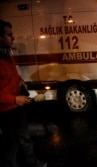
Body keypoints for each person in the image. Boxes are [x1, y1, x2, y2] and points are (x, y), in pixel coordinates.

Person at [0, 20, 47, 167]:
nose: (13, 38)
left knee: (25, 138)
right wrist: (14, 99)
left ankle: (32, 163)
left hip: (17, 107)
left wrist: (20, 81)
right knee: (11, 145)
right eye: (9, 35)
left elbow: (13, 74)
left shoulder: (7, 54)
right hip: (5, 111)